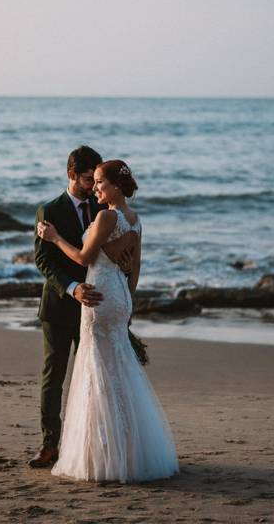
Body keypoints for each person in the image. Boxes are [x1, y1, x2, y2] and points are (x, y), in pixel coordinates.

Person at [37, 159, 179, 483]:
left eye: (100, 182)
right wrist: (127, 300)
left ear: (115, 185)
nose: (96, 188)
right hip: (119, 296)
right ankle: (130, 450)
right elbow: (136, 267)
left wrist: (55, 238)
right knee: (119, 367)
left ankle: (103, 454)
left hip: (98, 296)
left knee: (97, 371)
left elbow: (85, 257)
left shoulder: (107, 215)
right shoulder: (135, 219)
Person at [28, 146, 106, 468]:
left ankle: (92, 443)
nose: (93, 185)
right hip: (60, 306)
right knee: (54, 377)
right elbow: (42, 260)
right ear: (72, 174)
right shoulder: (49, 210)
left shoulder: (102, 208)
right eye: (88, 179)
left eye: (96, 179)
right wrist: (73, 288)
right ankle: (50, 445)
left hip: (96, 307)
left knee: (93, 377)